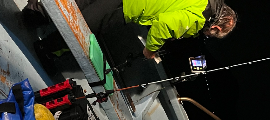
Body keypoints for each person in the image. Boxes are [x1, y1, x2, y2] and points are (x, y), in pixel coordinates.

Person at [28, 0, 237, 70]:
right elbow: (163, 25)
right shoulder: (198, 17)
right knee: (85, 25)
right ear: (216, 27)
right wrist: (150, 50)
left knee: (82, 2)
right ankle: (47, 49)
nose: (206, 33)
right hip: (129, 5)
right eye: (210, 33)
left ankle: (37, 12)